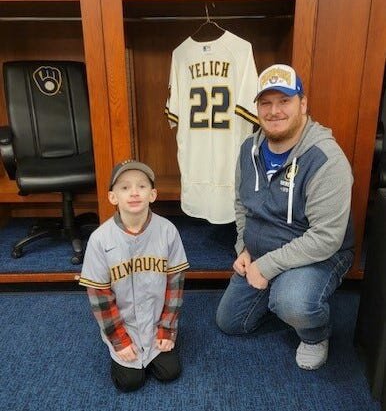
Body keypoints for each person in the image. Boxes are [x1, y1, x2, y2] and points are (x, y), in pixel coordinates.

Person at [216, 64, 354, 370]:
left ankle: (315, 333)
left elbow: (326, 238)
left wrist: (267, 266)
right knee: (230, 322)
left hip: (318, 253)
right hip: (264, 248)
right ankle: (280, 288)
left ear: (303, 104)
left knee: (292, 302)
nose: (274, 110)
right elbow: (241, 204)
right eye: (266, 102)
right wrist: (244, 247)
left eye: (284, 101)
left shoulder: (326, 159)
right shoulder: (247, 150)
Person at [79, 160, 189, 391]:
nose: (134, 192)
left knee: (170, 372)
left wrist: (167, 329)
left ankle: (155, 342)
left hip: (156, 323)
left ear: (153, 194)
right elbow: (100, 297)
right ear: (112, 197)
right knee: (129, 382)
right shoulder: (100, 239)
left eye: (141, 186)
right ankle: (122, 347)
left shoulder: (168, 230)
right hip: (124, 324)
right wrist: (119, 340)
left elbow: (175, 287)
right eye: (125, 187)